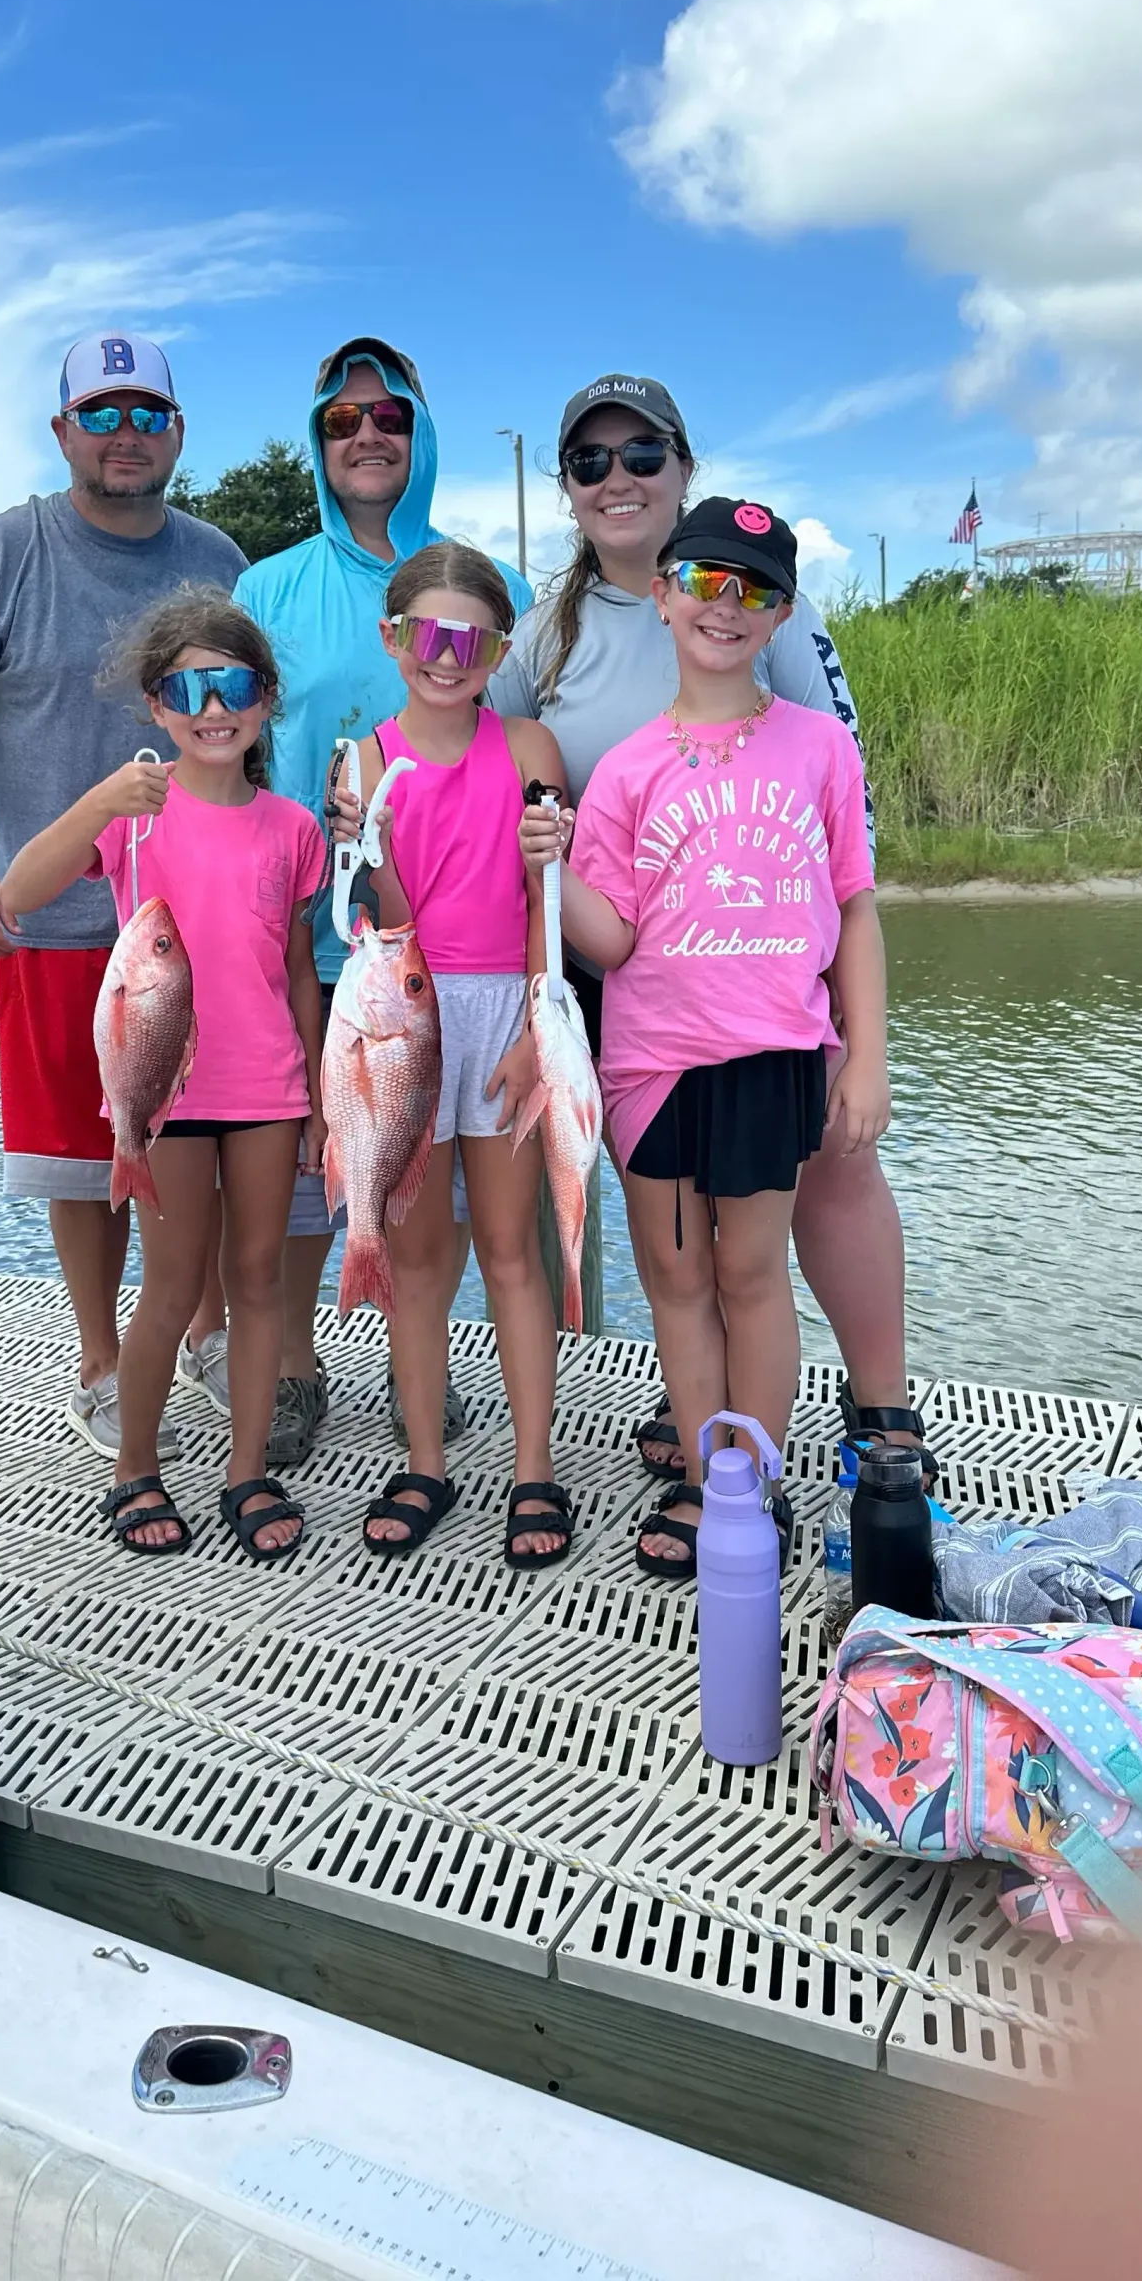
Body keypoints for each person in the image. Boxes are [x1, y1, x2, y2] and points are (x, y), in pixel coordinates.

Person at [489, 374, 922, 1483]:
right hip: (628, 980)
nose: (617, 479)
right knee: (683, 1255)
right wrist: (371, 793)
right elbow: (468, 748)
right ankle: (710, 1429)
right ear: (569, 487)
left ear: (683, 472)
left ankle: (876, 1409)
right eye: (590, 463)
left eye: (643, 457)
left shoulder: (779, 616)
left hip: (775, 981)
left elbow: (848, 857)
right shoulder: (544, 631)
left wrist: (857, 1034)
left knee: (815, 1187)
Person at [0, 333, 246, 1457]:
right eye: (101, 415)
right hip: (59, 922)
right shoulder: (0, 553)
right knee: (84, 1159)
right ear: (63, 433)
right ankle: (101, 1359)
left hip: (202, 921)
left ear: (178, 432)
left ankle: (201, 1330)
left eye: (147, 414)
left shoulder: (217, 556)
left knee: (203, 1139)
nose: (126, 436)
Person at [226, 338, 533, 1466]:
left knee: (431, 1178)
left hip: (452, 949)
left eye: (387, 417)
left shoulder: (490, 585)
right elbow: (231, 745)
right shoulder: (265, 587)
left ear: (420, 432)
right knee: (315, 1171)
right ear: (318, 440)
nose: (366, 436)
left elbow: (523, 761)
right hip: (303, 930)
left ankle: (428, 1375)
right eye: (342, 421)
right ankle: (298, 1369)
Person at [0, 594, 324, 1561]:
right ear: (155, 705)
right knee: (173, 1288)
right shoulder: (136, 815)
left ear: (265, 701)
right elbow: (17, 894)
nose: (213, 706)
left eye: (234, 685)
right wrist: (100, 800)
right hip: (165, 1095)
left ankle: (246, 1467)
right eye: (189, 686)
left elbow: (299, 972)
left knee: (259, 1280)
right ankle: (135, 1468)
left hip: (269, 1092)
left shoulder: (293, 828)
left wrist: (316, 1104)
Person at [332, 543, 572, 1566]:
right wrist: (368, 855)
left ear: (499, 648)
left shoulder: (531, 748)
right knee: (421, 1259)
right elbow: (379, 932)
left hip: (506, 1013)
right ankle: (425, 1458)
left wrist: (530, 1029)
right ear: (395, 640)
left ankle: (533, 1468)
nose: (448, 656)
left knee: (515, 1254)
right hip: (409, 1014)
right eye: (428, 635)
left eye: (471, 639)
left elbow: (544, 911)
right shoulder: (365, 762)